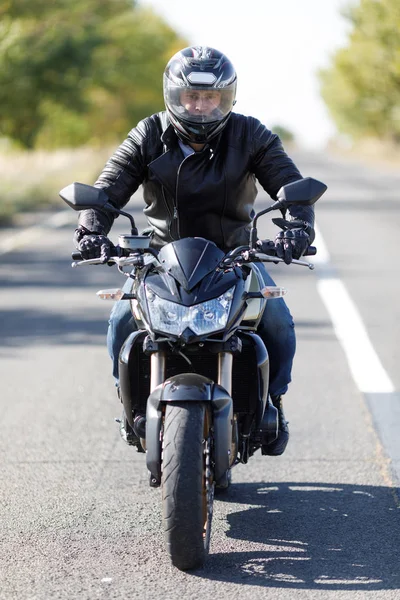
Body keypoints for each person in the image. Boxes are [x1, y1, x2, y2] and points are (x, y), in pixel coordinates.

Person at [73, 46, 316, 456]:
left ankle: (273, 403)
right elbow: (108, 189)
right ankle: (130, 405)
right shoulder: (148, 134)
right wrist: (91, 231)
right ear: (174, 96)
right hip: (161, 260)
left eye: (211, 98)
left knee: (278, 324)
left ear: (227, 98)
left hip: (236, 257)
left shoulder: (251, 134)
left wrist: (298, 228)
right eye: (192, 96)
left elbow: (290, 186)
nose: (201, 107)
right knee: (120, 324)